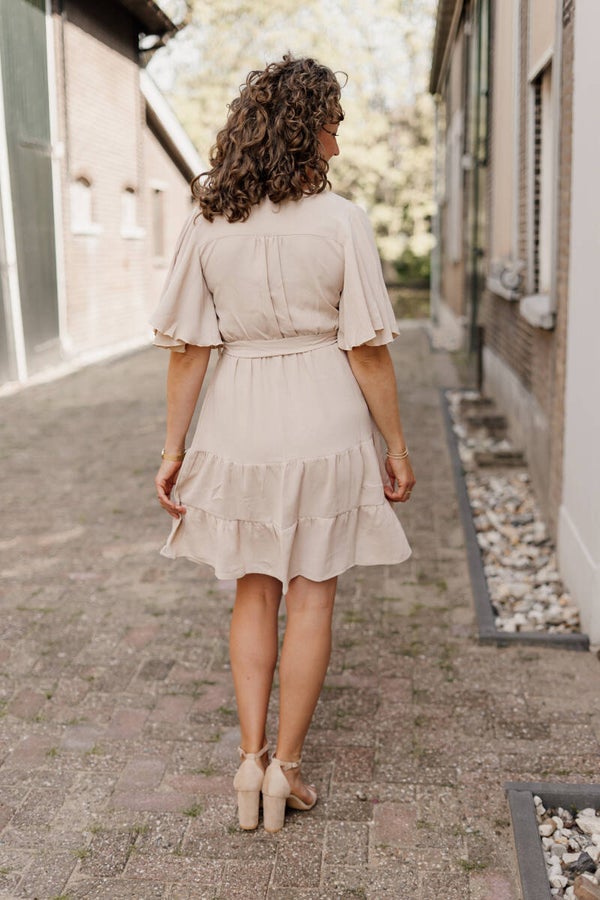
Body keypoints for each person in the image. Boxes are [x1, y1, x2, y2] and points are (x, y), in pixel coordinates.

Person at [151, 54, 415, 834]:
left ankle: (248, 760)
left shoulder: (209, 221)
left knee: (253, 589)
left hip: (237, 420)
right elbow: (366, 350)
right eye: (332, 123)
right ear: (307, 128)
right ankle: (287, 771)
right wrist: (396, 446)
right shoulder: (342, 221)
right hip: (323, 418)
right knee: (313, 594)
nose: (338, 138)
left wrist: (173, 452)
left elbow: (187, 352)